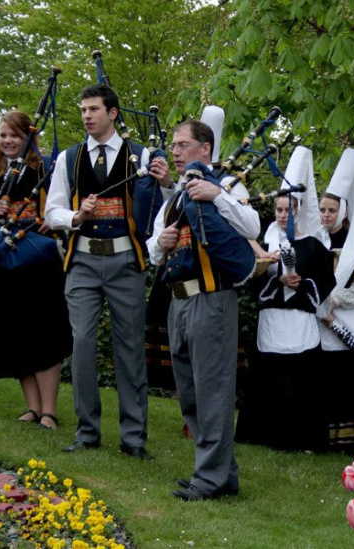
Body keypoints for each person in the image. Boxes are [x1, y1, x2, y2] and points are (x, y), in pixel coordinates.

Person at [45, 84, 173, 457]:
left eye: (94, 109)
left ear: (113, 113)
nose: (86, 116)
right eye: (83, 110)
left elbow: (166, 208)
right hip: (82, 261)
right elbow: (52, 210)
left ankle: (134, 439)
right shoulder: (69, 159)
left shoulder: (142, 155)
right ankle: (87, 433)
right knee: (82, 344)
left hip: (125, 262)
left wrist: (166, 182)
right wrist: (75, 216)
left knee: (130, 348)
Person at [148, 119, 260, 500]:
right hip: (177, 302)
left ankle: (209, 478)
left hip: (212, 299)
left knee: (212, 390)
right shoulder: (175, 197)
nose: (174, 152)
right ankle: (221, 473)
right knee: (192, 395)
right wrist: (160, 243)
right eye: (173, 145)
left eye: (182, 145)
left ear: (205, 149)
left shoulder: (226, 186)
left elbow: (252, 225)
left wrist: (217, 195)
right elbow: (153, 250)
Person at [235, 147, 335, 452]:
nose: (283, 215)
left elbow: (325, 283)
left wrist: (300, 283)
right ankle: (265, 436)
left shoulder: (314, 247)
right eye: (278, 209)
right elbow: (249, 278)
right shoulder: (263, 242)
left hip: (300, 321)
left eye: (289, 210)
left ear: (299, 211)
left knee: (302, 381)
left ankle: (303, 438)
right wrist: (275, 280)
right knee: (270, 377)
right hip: (271, 319)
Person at [0, 110, 71, 430]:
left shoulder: (44, 169)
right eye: (3, 135)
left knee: (45, 333)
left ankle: (50, 411)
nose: (8, 141)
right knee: (19, 334)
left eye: (14, 135)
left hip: (40, 260)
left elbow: (57, 210)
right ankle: (32, 407)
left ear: (28, 137)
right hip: (6, 262)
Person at [315, 149, 354, 453]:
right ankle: (323, 438)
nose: (326, 215)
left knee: (348, 382)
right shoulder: (314, 241)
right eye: (323, 209)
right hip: (317, 321)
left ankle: (349, 441)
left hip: (347, 318)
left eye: (331, 210)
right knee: (323, 382)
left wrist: (334, 304)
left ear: (343, 213)